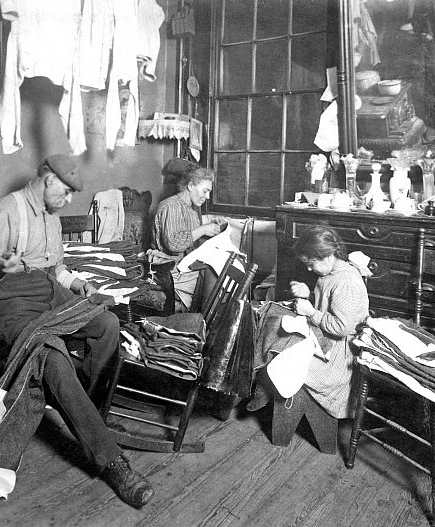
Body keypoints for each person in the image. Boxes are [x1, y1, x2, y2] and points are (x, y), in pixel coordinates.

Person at [0, 154, 153, 508]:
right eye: (68, 191)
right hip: (13, 303)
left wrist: (77, 284)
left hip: (51, 295)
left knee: (107, 324)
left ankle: (85, 410)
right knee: (53, 359)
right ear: (48, 180)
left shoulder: (51, 214)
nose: (71, 198)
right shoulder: (7, 211)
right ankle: (111, 460)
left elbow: (56, 267)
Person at [248, 225, 369, 418]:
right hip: (325, 338)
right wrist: (309, 294)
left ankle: (262, 386)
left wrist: (311, 311)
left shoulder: (346, 281)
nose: (308, 268)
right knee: (273, 317)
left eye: (311, 263)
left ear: (328, 256)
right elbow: (329, 305)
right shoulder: (330, 273)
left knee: (279, 346)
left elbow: (342, 327)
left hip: (337, 356)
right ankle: (258, 381)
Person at [149, 164, 223, 312]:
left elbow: (192, 241)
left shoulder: (190, 209)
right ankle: (207, 320)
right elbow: (174, 244)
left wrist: (213, 230)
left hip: (183, 264)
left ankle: (209, 318)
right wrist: (203, 229)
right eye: (205, 191)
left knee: (224, 266)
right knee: (215, 273)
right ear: (190, 186)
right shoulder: (171, 206)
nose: (207, 197)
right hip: (169, 268)